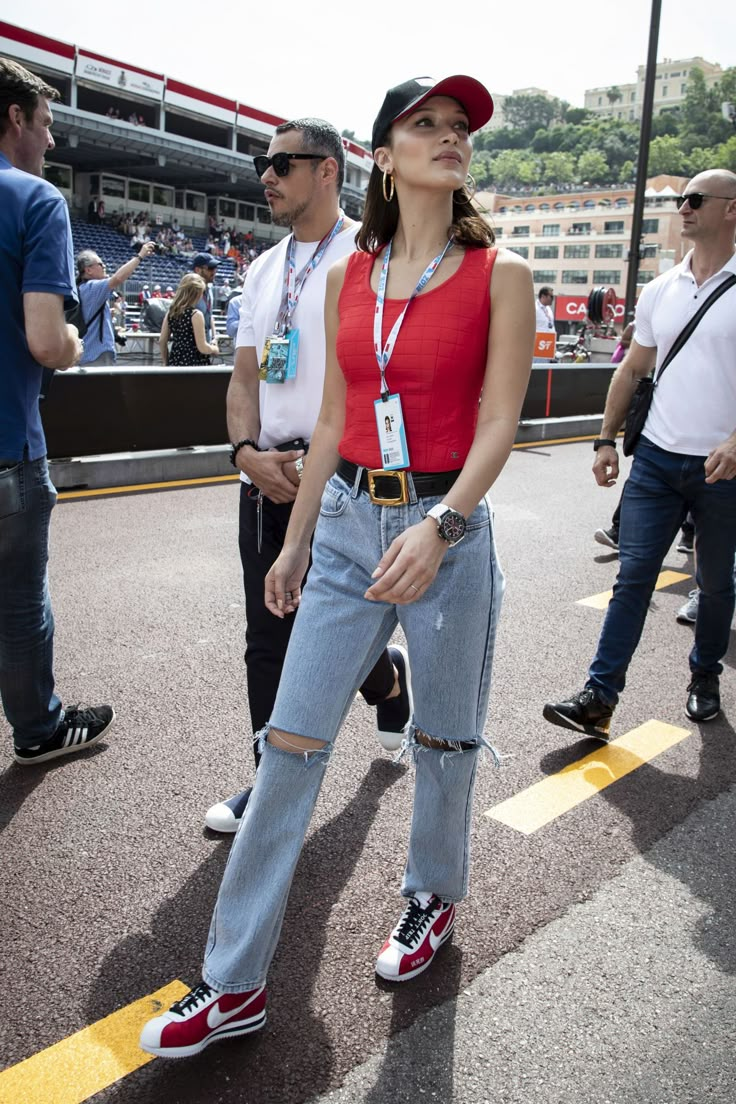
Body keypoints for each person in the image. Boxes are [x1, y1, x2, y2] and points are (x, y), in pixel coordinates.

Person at [141, 73, 533, 1058]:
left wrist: (441, 525)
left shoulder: (503, 275)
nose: (449, 139)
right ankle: (232, 984)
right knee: (290, 744)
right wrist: (301, 535)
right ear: (383, 154)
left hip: (447, 531)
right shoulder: (346, 278)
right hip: (352, 517)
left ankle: (431, 898)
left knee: (444, 743)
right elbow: (330, 418)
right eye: (426, 125)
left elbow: (500, 425)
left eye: (460, 129)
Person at [203, 117, 412, 836]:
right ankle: (270, 786)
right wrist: (246, 454)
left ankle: (387, 679)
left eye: (281, 163)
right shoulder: (262, 269)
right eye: (263, 163)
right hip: (264, 475)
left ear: (328, 170)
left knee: (334, 635)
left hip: (346, 478)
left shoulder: (373, 254)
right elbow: (244, 379)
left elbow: (382, 380)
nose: (266, 174)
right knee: (269, 636)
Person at [544, 169, 736, 739]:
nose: (683, 207)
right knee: (633, 578)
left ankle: (704, 676)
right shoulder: (660, 290)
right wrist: (606, 438)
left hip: (723, 468)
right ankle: (599, 697)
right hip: (656, 460)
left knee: (718, 582)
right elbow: (632, 367)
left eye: (695, 199)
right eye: (681, 198)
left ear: (731, 210)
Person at [0, 57, 114, 764]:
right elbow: (48, 341)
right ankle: (39, 730)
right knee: (18, 604)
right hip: (9, 450)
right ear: (15, 118)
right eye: (45, 126)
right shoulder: (35, 200)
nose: (50, 143)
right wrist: (74, 339)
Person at [76, 241, 156, 366]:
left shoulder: (83, 288)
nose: (104, 266)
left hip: (89, 355)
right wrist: (140, 256)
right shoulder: (92, 286)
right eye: (100, 264)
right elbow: (118, 278)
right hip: (96, 356)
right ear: (88, 270)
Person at [159, 273, 219, 366]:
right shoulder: (195, 315)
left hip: (175, 363)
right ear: (198, 293)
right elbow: (202, 347)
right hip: (194, 365)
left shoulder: (171, 313)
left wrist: (166, 362)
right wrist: (214, 348)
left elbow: (162, 341)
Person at [191, 252, 219, 340]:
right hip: (191, 345)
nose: (214, 271)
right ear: (197, 270)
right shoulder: (189, 291)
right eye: (210, 268)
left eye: (215, 268)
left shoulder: (209, 289)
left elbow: (209, 315)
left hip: (207, 343)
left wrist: (214, 337)